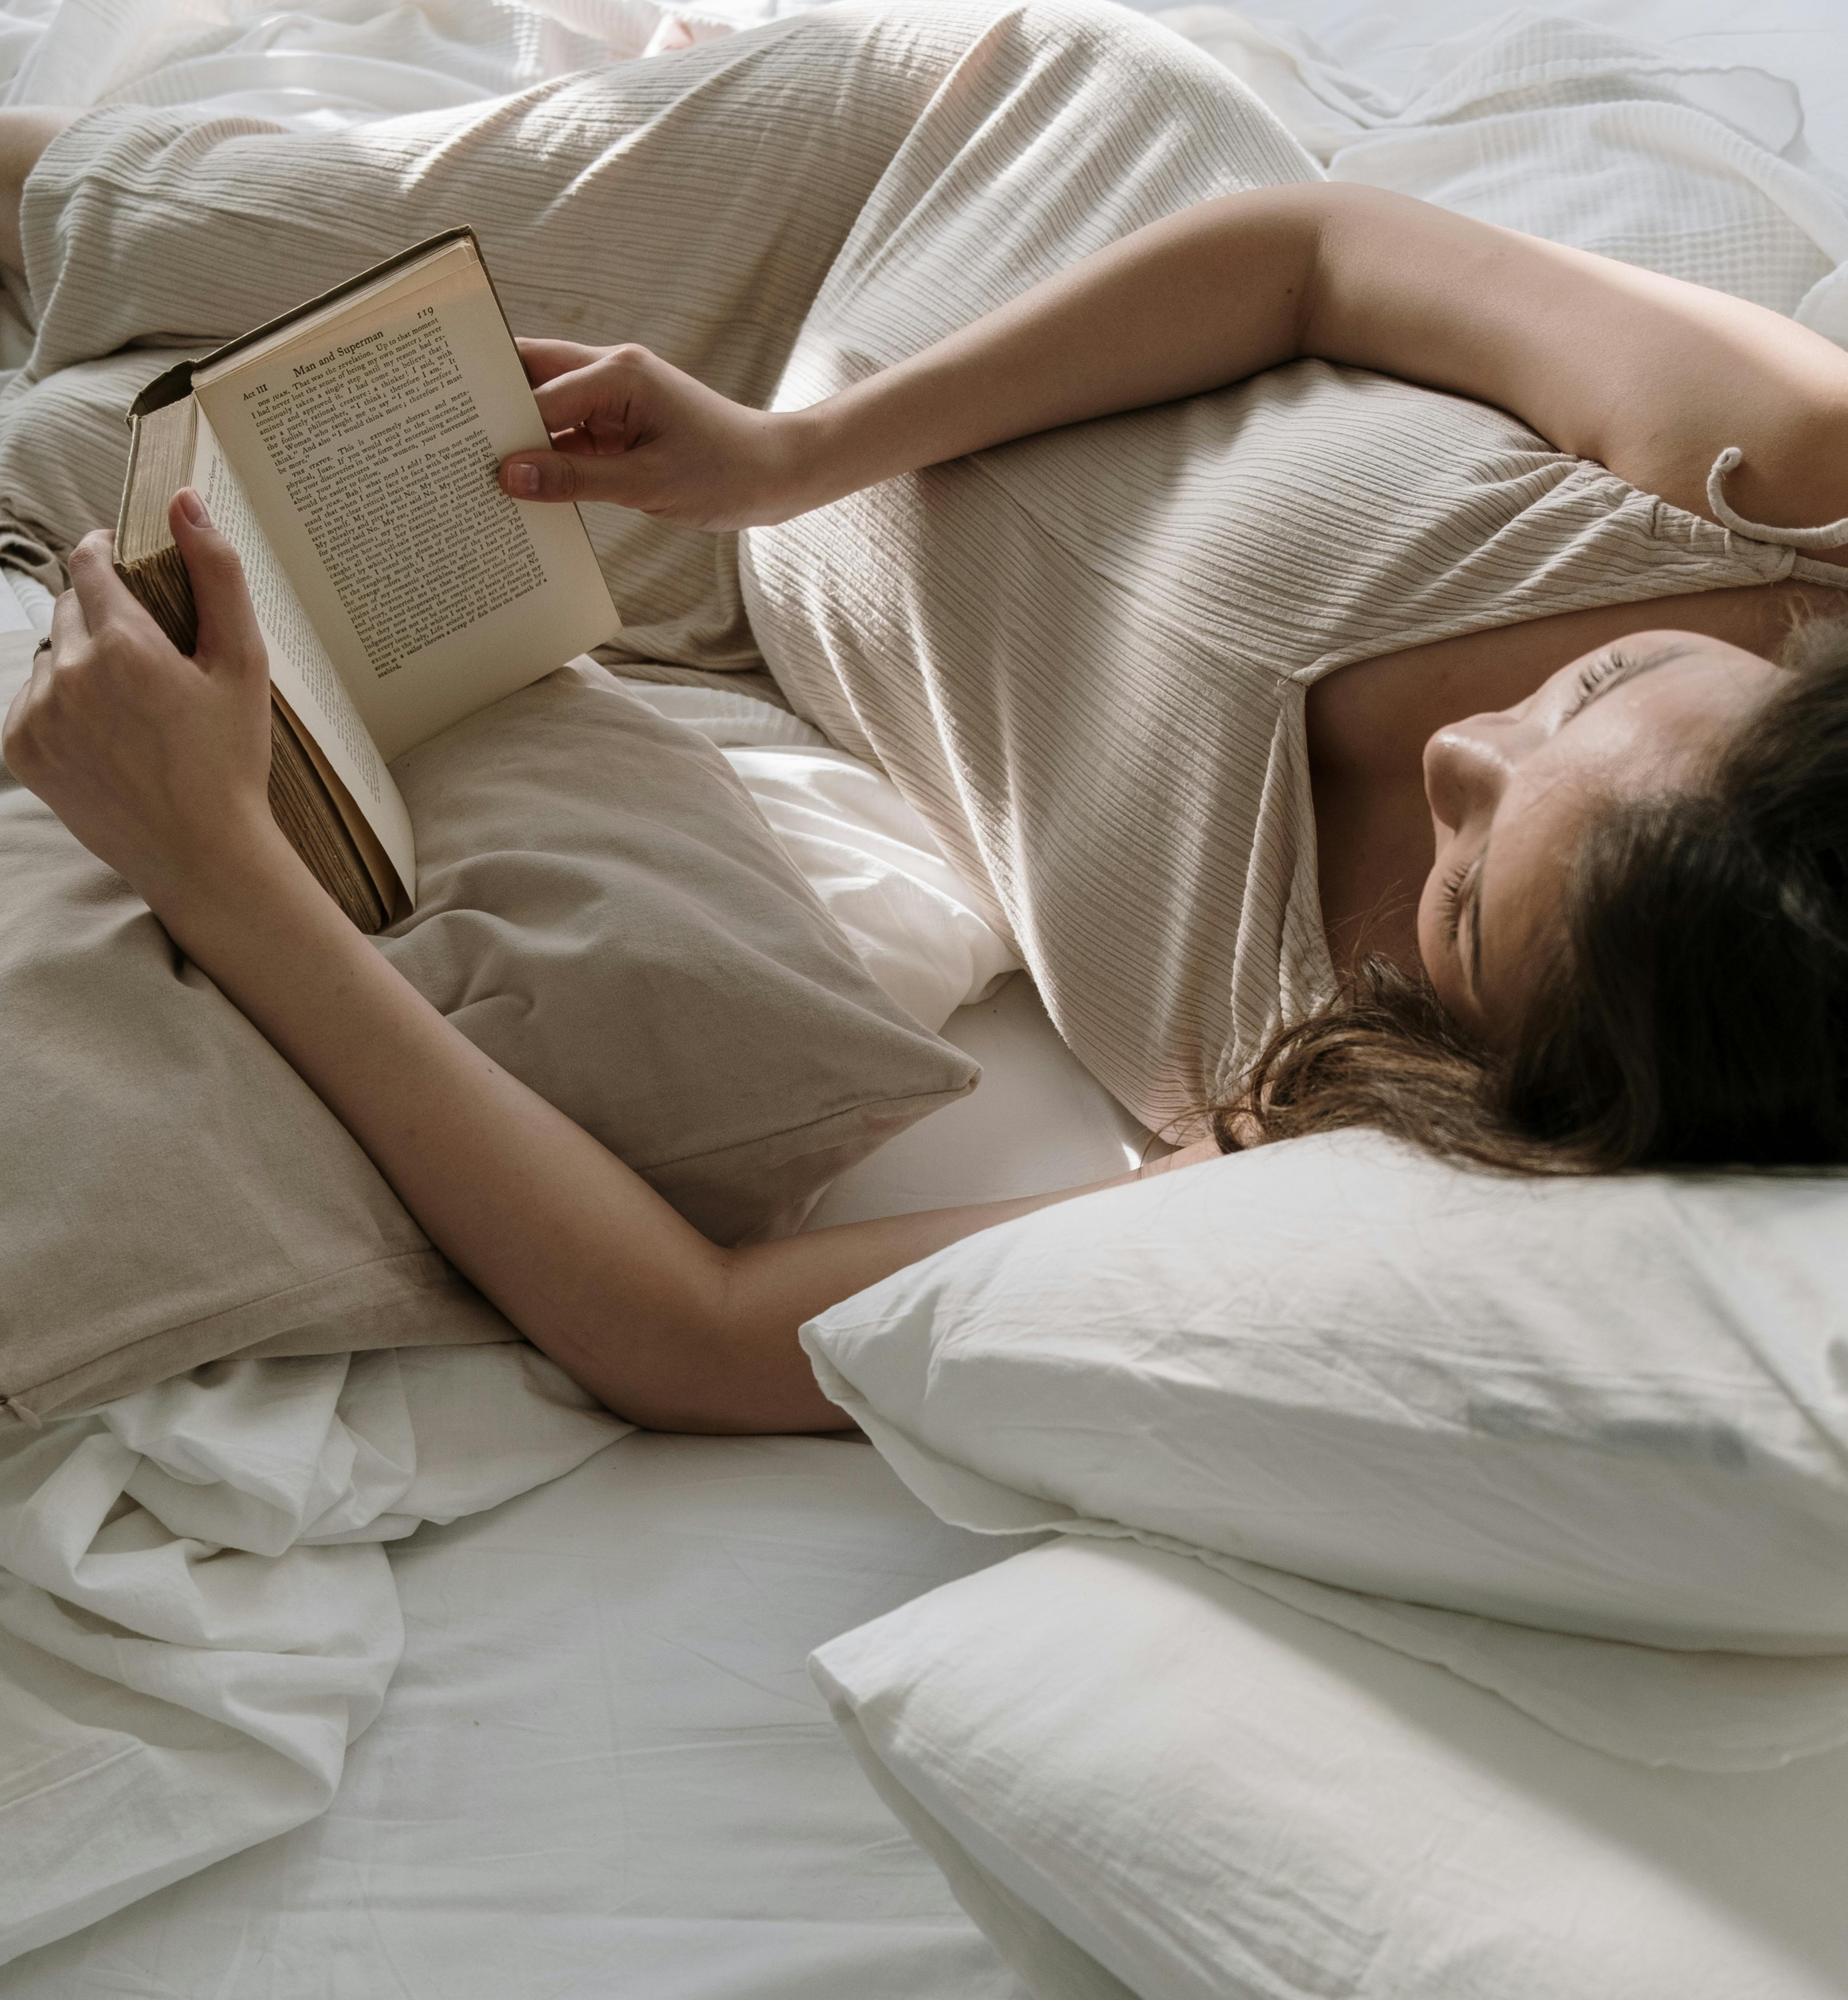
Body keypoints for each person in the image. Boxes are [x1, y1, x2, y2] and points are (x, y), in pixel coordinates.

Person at [3, 2, 1847, 1437]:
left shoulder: (1372, 1131)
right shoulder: (1792, 502)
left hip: (707, 588)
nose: (1464, 756)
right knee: (144, 227)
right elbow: (1314, 253)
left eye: (1458, 894)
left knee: (76, 479)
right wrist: (793, 452)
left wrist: (219, 867)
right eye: (1591, 688)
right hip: (943, 201)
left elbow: (702, 1335)